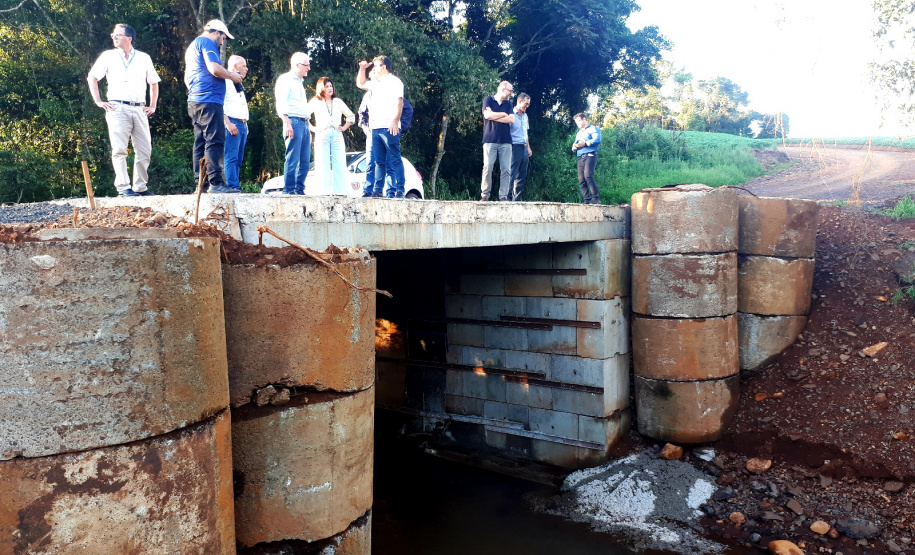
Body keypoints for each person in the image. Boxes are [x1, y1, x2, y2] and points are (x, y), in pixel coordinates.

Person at [87, 24, 161, 197]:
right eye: (113, 35)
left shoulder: (144, 58)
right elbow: (93, 77)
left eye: (118, 35)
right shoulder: (108, 56)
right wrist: (98, 101)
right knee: (119, 149)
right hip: (117, 107)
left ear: (129, 38)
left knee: (144, 150)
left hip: (140, 108)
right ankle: (123, 187)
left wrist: (153, 105)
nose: (114, 37)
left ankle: (140, 187)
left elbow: (154, 82)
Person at [184, 19, 242, 194]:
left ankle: (201, 184)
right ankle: (216, 183)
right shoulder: (207, 42)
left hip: (195, 100)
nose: (223, 42)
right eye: (223, 37)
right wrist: (231, 75)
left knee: (201, 141)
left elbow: (187, 78)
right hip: (209, 100)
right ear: (217, 32)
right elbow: (214, 69)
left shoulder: (192, 46)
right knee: (214, 140)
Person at [356, 55, 405, 198]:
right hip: (375, 127)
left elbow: (399, 103)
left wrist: (395, 120)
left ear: (383, 67)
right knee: (378, 161)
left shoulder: (395, 81)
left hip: (389, 127)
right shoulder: (375, 83)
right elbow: (361, 83)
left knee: (395, 159)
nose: (374, 69)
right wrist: (362, 69)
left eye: (376, 66)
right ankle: (378, 190)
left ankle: (400, 189)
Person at [275, 52, 314, 195]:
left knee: (305, 160)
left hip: (304, 123)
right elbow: (281, 101)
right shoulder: (285, 79)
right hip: (293, 121)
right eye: (306, 65)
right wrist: (287, 122)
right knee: (292, 158)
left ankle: (299, 188)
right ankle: (289, 189)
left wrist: (308, 126)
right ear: (297, 65)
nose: (308, 68)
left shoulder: (299, 83)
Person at [309, 77, 355, 195]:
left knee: (339, 161)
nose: (329, 88)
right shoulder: (315, 101)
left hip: (336, 133)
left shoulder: (337, 101)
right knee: (322, 162)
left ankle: (341, 192)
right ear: (321, 88)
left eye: (331, 86)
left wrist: (344, 127)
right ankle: (324, 191)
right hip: (322, 133)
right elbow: (304, 116)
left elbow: (351, 116)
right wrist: (313, 129)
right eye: (327, 86)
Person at [480, 81, 515, 201]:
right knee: (488, 167)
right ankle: (485, 195)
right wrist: (503, 114)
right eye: (510, 90)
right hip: (490, 140)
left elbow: (511, 119)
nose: (511, 93)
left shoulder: (509, 104)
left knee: (506, 169)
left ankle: (503, 197)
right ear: (502, 89)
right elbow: (487, 116)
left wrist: (494, 115)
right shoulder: (488, 100)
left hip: (506, 141)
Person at [223, 55, 249, 192]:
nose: (246, 69)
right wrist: (227, 123)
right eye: (243, 66)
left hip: (242, 123)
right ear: (234, 67)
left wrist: (246, 124)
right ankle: (232, 185)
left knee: (239, 158)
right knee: (231, 156)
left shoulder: (237, 83)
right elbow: (220, 104)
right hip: (232, 122)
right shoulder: (225, 82)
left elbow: (241, 105)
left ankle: (236, 185)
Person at [572, 113, 602, 204]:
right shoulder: (579, 133)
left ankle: (596, 199)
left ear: (584, 119)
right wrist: (574, 147)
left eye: (579, 121)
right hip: (580, 157)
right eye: (576, 122)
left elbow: (597, 140)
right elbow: (575, 143)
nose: (578, 123)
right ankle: (586, 200)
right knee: (581, 179)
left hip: (590, 155)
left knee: (588, 176)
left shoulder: (593, 129)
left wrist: (585, 143)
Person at [509, 93, 532, 201]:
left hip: (524, 146)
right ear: (520, 101)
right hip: (514, 146)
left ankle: (517, 198)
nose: (527, 106)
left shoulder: (526, 116)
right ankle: (506, 198)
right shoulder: (511, 114)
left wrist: (528, 147)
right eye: (526, 104)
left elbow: (525, 133)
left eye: (528, 104)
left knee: (522, 174)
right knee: (511, 173)